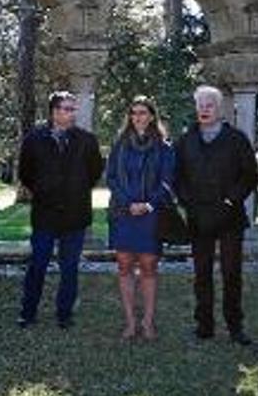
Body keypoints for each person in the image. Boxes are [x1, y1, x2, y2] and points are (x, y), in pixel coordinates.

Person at [174, 85, 258, 345]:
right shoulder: (186, 140)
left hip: (229, 217)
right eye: (200, 105)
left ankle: (235, 326)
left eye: (209, 105)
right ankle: (204, 326)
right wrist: (188, 202)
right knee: (202, 273)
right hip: (199, 218)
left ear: (219, 109)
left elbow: (251, 175)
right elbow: (177, 178)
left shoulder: (236, 139)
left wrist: (231, 199)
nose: (204, 110)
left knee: (232, 274)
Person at [17, 91, 104, 330]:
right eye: (66, 109)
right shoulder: (34, 139)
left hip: (75, 215)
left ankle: (64, 315)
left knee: (70, 268)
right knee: (38, 264)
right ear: (54, 112)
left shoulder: (87, 140)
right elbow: (26, 173)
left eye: (72, 109)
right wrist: (44, 189)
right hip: (45, 214)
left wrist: (75, 189)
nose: (70, 113)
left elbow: (95, 171)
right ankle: (28, 312)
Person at [106, 97, 174, 340]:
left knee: (148, 267)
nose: (138, 117)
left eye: (143, 112)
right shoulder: (120, 145)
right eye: (133, 113)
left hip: (150, 215)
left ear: (152, 116)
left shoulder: (163, 147)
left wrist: (147, 204)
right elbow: (111, 178)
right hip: (123, 213)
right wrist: (128, 202)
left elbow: (167, 182)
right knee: (124, 266)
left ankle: (147, 321)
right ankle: (130, 322)